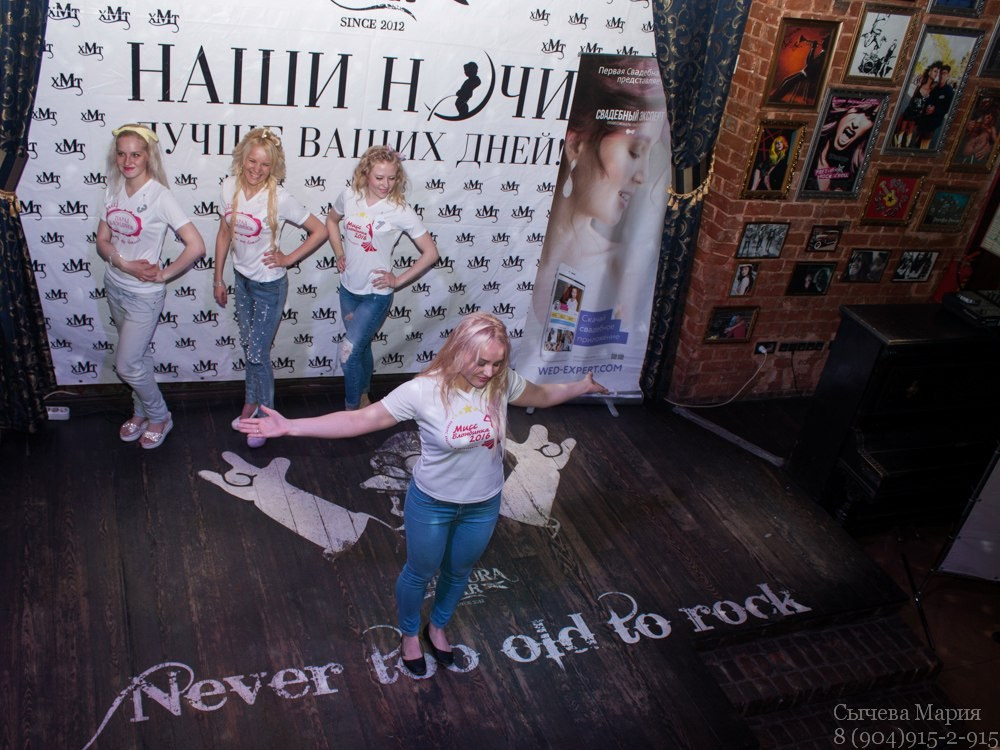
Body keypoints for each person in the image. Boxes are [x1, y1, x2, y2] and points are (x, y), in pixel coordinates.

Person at [236, 313, 608, 676]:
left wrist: (581, 385)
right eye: (482, 362)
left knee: (459, 570)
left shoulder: (500, 383)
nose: (489, 372)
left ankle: (438, 627)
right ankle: (410, 633)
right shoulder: (422, 391)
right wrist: (290, 427)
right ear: (460, 350)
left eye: (497, 363)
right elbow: (359, 420)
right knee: (420, 572)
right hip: (433, 504)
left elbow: (542, 395)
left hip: (483, 504)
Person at [532, 54, 666, 328]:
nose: (642, 176)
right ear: (576, 145)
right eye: (635, 151)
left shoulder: (617, 270)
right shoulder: (517, 243)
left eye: (649, 155)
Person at [213, 127, 328, 447]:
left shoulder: (280, 198)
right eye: (252, 161)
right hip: (242, 281)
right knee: (251, 349)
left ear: (274, 166)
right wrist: (218, 278)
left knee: (258, 353)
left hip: (268, 287)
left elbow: (319, 231)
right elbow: (224, 234)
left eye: (265, 164)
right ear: (242, 159)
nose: (256, 169)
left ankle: (265, 418)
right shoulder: (228, 187)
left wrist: (288, 258)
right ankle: (251, 403)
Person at [96, 124, 206, 449]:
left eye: (136, 154)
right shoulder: (112, 188)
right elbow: (102, 241)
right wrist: (123, 263)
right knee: (137, 358)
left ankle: (160, 416)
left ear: (147, 157)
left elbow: (196, 246)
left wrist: (164, 274)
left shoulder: (160, 196)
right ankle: (140, 411)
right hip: (114, 285)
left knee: (126, 363)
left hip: (144, 296)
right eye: (122, 153)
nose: (127, 161)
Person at [326, 145, 439, 411]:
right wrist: (339, 252)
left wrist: (398, 280)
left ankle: (352, 410)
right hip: (348, 290)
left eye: (391, 178)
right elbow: (331, 221)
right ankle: (364, 396)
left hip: (376, 296)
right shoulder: (349, 196)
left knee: (348, 353)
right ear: (365, 174)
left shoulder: (400, 210)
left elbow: (431, 253)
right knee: (360, 349)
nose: (386, 184)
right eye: (379, 177)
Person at [803, 98, 880, 193]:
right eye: (857, 110)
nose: (855, 124)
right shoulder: (811, 140)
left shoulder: (859, 166)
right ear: (845, 109)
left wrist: (826, 189)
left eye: (870, 117)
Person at [894, 63, 940, 148]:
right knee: (901, 130)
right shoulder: (921, 83)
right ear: (929, 72)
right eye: (935, 71)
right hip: (910, 110)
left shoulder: (934, 88)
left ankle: (904, 148)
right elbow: (913, 97)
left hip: (918, 115)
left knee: (910, 133)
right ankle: (897, 145)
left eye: (938, 72)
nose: (936, 74)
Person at [915, 64, 954, 150]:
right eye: (940, 73)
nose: (941, 76)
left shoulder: (949, 91)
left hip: (932, 123)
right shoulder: (935, 88)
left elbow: (947, 108)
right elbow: (927, 101)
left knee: (923, 147)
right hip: (923, 120)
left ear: (947, 75)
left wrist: (935, 110)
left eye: (944, 73)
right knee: (915, 143)